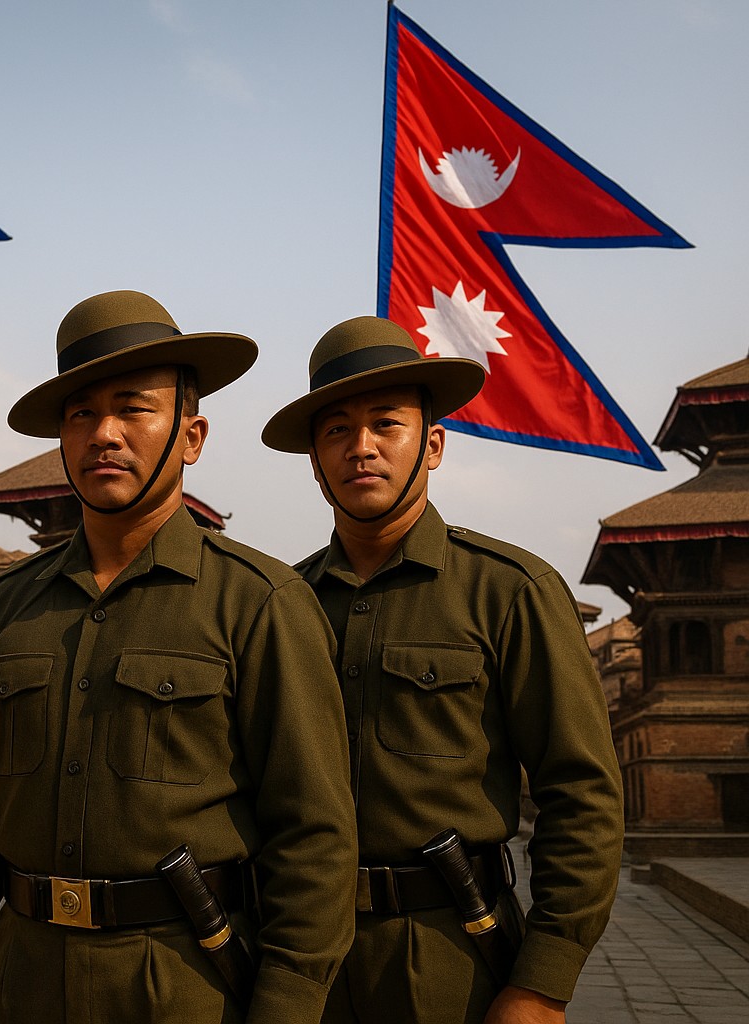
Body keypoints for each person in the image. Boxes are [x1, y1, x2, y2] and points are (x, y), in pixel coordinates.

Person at [0, 290, 357, 1024]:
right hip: (26, 978)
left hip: (186, 983)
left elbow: (314, 836)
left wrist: (287, 1006)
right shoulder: (4, 608)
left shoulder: (259, 600)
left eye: (133, 408)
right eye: (81, 413)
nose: (105, 434)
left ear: (192, 436)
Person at [260, 316, 624, 1024]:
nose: (360, 448)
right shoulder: (279, 605)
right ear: (313, 459)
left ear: (432, 445)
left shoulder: (509, 590)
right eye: (335, 430)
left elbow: (580, 791)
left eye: (385, 425)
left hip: (453, 953)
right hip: (300, 961)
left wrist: (545, 979)